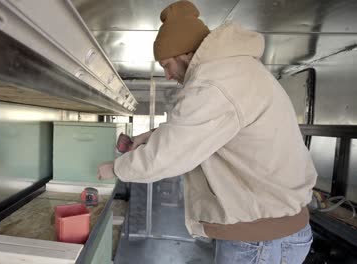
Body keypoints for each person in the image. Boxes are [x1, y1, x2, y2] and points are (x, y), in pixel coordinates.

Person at [97, 1, 317, 263]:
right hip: (269, 233)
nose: (167, 75)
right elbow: (208, 130)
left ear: (186, 55)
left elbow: (170, 153)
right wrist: (152, 136)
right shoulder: (233, 70)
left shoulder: (213, 83)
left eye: (167, 65)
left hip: (261, 240)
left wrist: (116, 168)